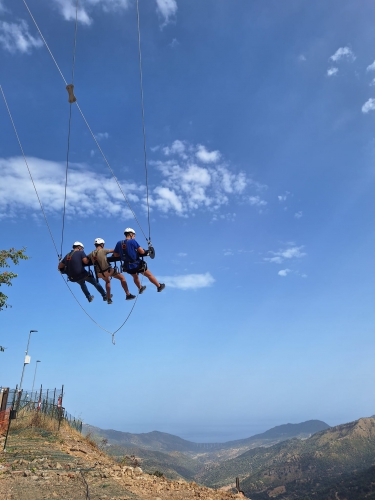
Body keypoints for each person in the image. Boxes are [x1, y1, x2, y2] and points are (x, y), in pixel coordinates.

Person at [113, 228, 165, 293]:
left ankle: (140, 288)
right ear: (131, 234)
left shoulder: (119, 243)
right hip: (137, 264)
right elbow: (142, 252)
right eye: (134, 235)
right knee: (149, 275)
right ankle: (159, 286)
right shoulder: (132, 241)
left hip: (127, 266)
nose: (134, 237)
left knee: (135, 277)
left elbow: (115, 255)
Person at [87, 238, 135, 304]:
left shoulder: (91, 254)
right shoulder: (104, 251)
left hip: (99, 274)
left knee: (107, 281)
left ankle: (109, 299)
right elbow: (115, 251)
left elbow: (86, 260)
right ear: (102, 244)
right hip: (108, 271)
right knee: (122, 278)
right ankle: (128, 294)